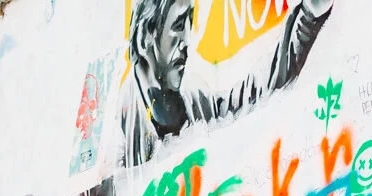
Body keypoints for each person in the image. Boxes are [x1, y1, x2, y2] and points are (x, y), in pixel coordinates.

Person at [118, 0, 335, 169]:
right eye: (178, 25)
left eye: (189, 25)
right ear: (144, 38)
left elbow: (255, 95)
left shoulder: (195, 106)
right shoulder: (118, 139)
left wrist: (308, 18)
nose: (187, 42)